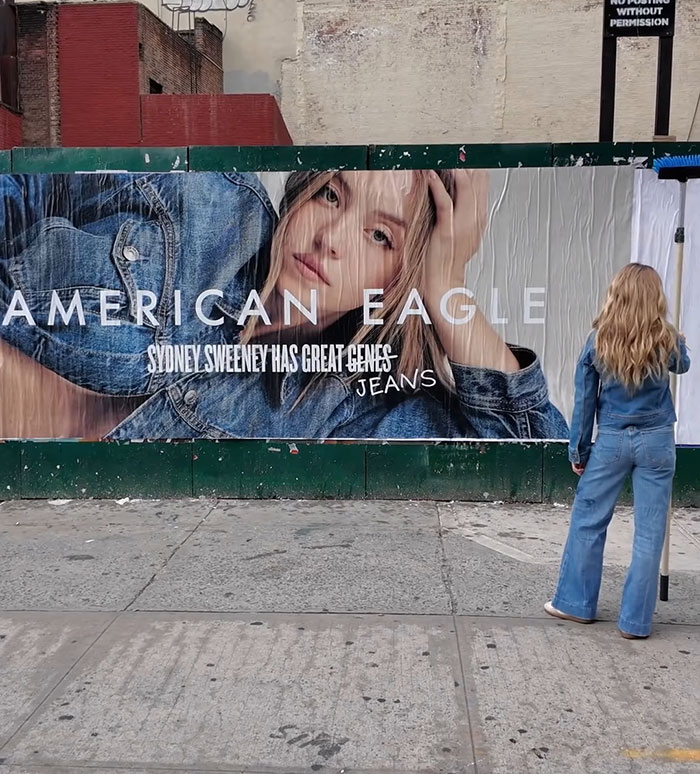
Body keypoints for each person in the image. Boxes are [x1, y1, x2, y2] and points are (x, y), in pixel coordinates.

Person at [0, 169, 568, 440]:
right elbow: (24, 192)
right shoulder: (211, 206)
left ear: (401, 278)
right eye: (331, 195)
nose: (332, 239)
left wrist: (446, 283)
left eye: (380, 237)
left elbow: (535, 452)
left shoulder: (341, 408)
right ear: (301, 194)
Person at [545, 263, 691, 639]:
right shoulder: (666, 339)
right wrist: (680, 340)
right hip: (657, 440)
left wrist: (578, 451)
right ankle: (636, 622)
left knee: (589, 520)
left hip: (611, 439)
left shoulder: (598, 340)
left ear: (616, 295)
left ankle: (575, 604)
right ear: (655, 297)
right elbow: (684, 365)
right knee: (649, 531)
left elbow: (584, 403)